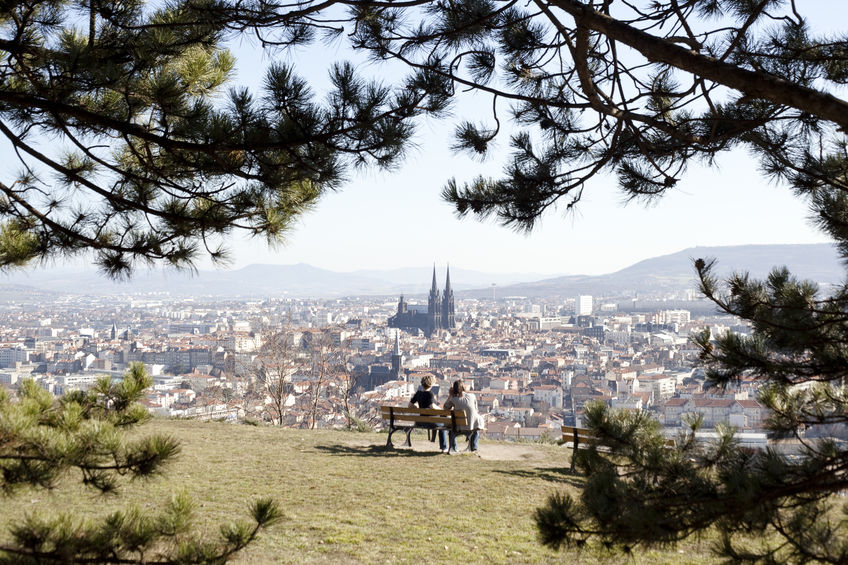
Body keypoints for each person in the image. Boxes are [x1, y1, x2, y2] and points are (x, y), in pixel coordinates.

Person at [443, 379, 484, 453]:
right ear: (463, 387)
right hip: (472, 426)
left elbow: (445, 408)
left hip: (458, 427)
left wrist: (450, 395)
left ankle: (453, 448)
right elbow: (476, 409)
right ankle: (474, 448)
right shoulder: (472, 396)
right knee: (475, 429)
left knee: (451, 430)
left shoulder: (453, 400)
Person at [409, 374, 448, 452]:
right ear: (431, 384)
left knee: (439, 422)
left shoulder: (418, 393)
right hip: (431, 422)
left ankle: (440, 444)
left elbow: (410, 405)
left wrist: (417, 408)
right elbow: (432, 406)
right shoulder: (430, 394)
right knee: (443, 426)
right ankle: (444, 447)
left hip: (421, 422)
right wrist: (441, 410)